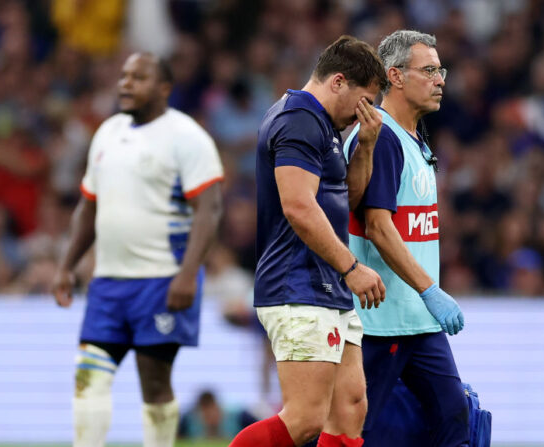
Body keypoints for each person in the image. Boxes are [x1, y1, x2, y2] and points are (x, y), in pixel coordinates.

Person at [52, 52, 224, 447]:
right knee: (88, 373)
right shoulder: (107, 132)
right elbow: (88, 205)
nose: (126, 83)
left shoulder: (187, 136)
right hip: (108, 282)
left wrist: (187, 275)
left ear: (164, 88)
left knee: (154, 381)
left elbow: (209, 210)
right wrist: (66, 265)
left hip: (162, 280)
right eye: (124, 75)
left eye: (139, 77)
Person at [228, 35, 388, 447]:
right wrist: (351, 267)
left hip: (325, 285)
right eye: (364, 101)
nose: (364, 114)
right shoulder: (297, 120)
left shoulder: (324, 126)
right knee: (304, 419)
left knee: (350, 411)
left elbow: (344, 200)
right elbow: (298, 207)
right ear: (337, 82)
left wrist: (365, 148)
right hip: (297, 286)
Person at [343, 30, 469, 446]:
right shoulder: (381, 140)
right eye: (429, 70)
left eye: (440, 70)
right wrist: (431, 289)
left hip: (418, 321)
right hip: (381, 322)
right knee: (353, 430)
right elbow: (377, 227)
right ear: (395, 77)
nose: (440, 80)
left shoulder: (414, 139)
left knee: (455, 417)